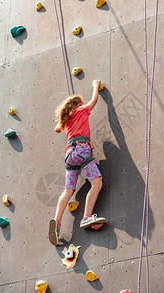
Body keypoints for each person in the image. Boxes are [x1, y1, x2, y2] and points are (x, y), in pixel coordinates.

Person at [48, 80, 105, 246]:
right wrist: (95, 86)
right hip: (82, 150)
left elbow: (57, 129)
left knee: (68, 190)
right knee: (96, 183)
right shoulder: (82, 109)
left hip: (70, 155)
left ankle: (57, 222)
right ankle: (87, 217)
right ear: (78, 105)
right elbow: (93, 101)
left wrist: (64, 119)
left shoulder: (67, 119)